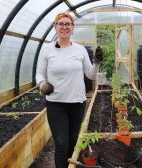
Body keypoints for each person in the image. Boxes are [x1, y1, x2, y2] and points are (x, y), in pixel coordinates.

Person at [35, 12, 103, 168]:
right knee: (61, 142)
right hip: (56, 104)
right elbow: (39, 73)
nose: (64, 27)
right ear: (55, 27)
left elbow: (90, 75)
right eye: (61, 24)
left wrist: (97, 62)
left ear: (73, 28)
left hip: (77, 103)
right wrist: (42, 84)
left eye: (68, 24)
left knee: (73, 141)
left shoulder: (80, 50)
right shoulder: (47, 49)